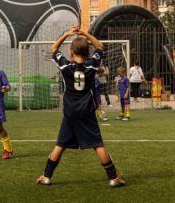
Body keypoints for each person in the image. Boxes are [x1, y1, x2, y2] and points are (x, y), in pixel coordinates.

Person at [36, 25, 125, 187]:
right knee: (97, 144)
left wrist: (67, 34)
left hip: (70, 111)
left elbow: (54, 47)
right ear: (88, 53)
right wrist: (84, 33)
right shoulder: (92, 64)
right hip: (86, 110)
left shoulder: (64, 65)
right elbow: (100, 46)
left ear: (71, 52)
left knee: (60, 145)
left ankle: (46, 176)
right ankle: (113, 178)